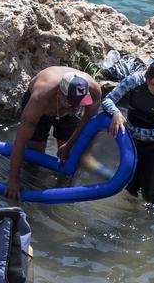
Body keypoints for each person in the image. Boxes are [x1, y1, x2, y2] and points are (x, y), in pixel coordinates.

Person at [7, 67, 101, 200]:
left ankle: (61, 189)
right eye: (71, 103)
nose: (76, 108)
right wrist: (13, 180)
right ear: (59, 94)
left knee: (69, 155)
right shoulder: (40, 97)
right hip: (43, 109)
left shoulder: (94, 92)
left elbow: (88, 120)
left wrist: (69, 144)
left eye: (80, 103)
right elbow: (21, 139)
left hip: (66, 114)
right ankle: (32, 183)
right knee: (35, 153)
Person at [102, 59, 154, 203]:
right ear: (147, 78)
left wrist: (128, 129)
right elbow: (108, 100)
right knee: (130, 189)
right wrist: (116, 113)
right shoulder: (135, 80)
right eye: (152, 83)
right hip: (132, 144)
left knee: (150, 197)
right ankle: (130, 214)